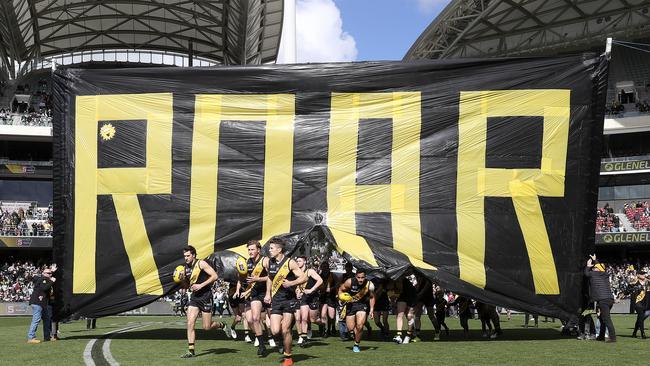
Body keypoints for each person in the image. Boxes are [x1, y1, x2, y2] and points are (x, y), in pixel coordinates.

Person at [264, 238, 307, 366]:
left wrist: (291, 283)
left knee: (285, 330)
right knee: (275, 330)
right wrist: (268, 293)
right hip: (276, 300)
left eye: (272, 248)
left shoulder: (289, 262)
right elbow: (270, 278)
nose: (269, 250)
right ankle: (284, 341)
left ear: (279, 249)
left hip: (289, 300)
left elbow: (304, 277)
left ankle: (288, 357)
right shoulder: (270, 263)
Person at [180, 245, 226, 358]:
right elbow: (187, 286)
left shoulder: (201, 263)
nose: (186, 258)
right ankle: (191, 350)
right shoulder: (185, 268)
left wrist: (201, 285)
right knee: (190, 323)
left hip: (206, 296)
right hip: (195, 298)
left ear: (194, 255)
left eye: (188, 256)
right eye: (184, 256)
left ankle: (221, 325)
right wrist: (182, 280)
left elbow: (215, 276)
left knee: (207, 327)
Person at [237, 240, 269, 356]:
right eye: (249, 250)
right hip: (255, 293)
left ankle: (279, 340)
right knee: (255, 318)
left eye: (252, 249)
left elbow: (272, 277)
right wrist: (244, 290)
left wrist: (258, 279)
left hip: (268, 292)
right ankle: (261, 345)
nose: (250, 252)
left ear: (258, 250)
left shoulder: (265, 261)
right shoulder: (247, 262)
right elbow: (244, 278)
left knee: (273, 324)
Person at [338, 268, 375, 352]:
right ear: (355, 276)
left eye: (362, 277)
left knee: (360, 325)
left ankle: (356, 344)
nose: (360, 280)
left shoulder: (369, 284)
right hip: (350, 305)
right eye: (359, 277)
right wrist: (341, 298)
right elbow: (340, 289)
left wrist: (372, 309)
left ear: (365, 277)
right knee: (351, 328)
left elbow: (372, 297)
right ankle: (356, 335)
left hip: (362, 305)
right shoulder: (349, 282)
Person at [585, 254, 616, 342]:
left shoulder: (593, 274)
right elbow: (600, 268)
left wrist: (588, 266)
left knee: (606, 319)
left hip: (603, 300)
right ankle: (601, 336)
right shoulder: (605, 274)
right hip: (609, 299)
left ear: (597, 269)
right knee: (602, 319)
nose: (593, 268)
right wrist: (595, 260)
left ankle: (613, 338)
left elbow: (586, 273)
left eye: (594, 267)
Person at [295, 256, 323, 346]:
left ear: (304, 262)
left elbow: (320, 280)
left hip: (313, 297)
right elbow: (297, 285)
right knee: (303, 318)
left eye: (299, 261)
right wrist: (297, 292)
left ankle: (322, 324)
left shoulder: (310, 271)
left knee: (313, 319)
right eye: (297, 261)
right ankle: (304, 338)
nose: (298, 262)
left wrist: (311, 290)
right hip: (304, 298)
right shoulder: (296, 273)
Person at [27, 265, 56, 343]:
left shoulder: (44, 278)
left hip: (42, 303)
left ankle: (47, 337)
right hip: (37, 302)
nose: (50, 274)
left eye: (51, 273)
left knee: (47, 320)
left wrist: (52, 273)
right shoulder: (43, 279)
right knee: (36, 320)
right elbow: (44, 288)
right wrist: (52, 281)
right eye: (49, 273)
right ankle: (31, 337)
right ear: (44, 273)